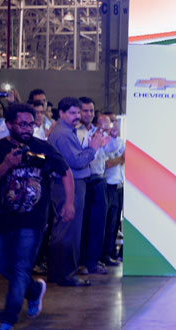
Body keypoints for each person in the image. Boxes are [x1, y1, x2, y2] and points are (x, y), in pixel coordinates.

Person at [0, 103, 74, 330]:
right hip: (1, 220)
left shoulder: (42, 148)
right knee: (5, 266)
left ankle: (7, 321)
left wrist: (69, 203)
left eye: (31, 124)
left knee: (22, 266)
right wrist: (5, 167)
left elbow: (65, 172)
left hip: (32, 221)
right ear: (9, 124)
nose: (27, 129)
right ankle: (34, 290)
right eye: (22, 124)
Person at [47, 97, 107, 287]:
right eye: (72, 113)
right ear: (61, 113)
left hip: (68, 183)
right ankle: (67, 274)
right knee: (69, 229)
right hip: (69, 185)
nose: (77, 116)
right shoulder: (63, 134)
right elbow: (77, 161)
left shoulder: (64, 131)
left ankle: (58, 272)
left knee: (63, 228)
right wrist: (93, 147)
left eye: (78, 112)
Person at [78, 99, 117, 276]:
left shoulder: (98, 132)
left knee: (98, 224)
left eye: (91, 110)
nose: (88, 114)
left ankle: (93, 262)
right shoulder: (75, 132)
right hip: (83, 179)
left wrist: (111, 133)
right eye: (84, 110)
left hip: (99, 180)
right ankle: (80, 262)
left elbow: (112, 150)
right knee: (82, 223)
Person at [100, 114, 125, 265]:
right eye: (109, 122)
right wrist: (120, 159)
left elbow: (123, 159)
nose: (113, 125)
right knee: (107, 223)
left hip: (119, 184)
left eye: (114, 121)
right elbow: (106, 164)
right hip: (107, 185)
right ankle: (104, 255)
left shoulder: (120, 141)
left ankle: (111, 252)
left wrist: (120, 160)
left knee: (115, 223)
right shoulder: (101, 141)